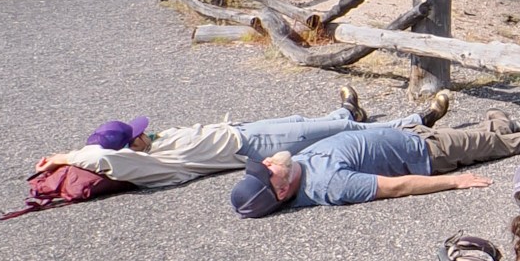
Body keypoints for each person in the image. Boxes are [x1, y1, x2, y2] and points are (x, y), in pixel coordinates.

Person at [228, 103, 520, 218]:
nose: (270, 163)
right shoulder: (329, 186)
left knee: (484, 137)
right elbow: (396, 187)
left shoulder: (294, 167)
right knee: (499, 144)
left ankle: (498, 121)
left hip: (410, 134)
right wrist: (454, 182)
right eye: (268, 172)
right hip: (427, 154)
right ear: (278, 191)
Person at [38, 84, 387, 187]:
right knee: (344, 133)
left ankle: (346, 111)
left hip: (241, 130)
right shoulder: (150, 164)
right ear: (131, 148)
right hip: (251, 145)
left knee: (304, 121)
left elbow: (100, 151)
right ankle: (416, 120)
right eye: (137, 135)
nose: (144, 133)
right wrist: (65, 158)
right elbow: (102, 157)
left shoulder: (154, 147)